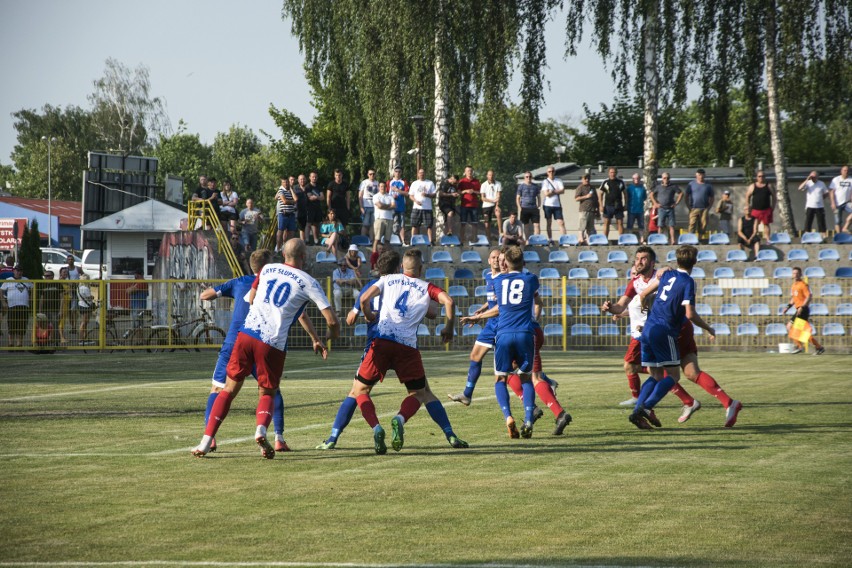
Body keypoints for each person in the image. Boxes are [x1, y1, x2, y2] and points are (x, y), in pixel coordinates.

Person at [191, 239, 340, 458]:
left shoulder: (268, 269)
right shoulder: (309, 281)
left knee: (229, 389)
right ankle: (261, 429)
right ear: (304, 257)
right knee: (268, 391)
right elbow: (332, 321)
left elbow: (251, 297)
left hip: (246, 334)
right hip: (272, 342)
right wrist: (330, 336)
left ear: (283, 254)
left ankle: (205, 441)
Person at [316, 250, 440, 449]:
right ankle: (449, 434)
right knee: (423, 392)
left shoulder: (371, 286)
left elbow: (350, 319)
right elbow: (433, 312)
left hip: (376, 344)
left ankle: (334, 437)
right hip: (403, 344)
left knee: (357, 391)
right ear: (399, 267)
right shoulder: (405, 284)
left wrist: (369, 315)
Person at [353, 249, 469, 453]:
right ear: (421, 268)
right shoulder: (426, 287)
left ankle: (377, 428)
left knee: (360, 390)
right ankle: (400, 418)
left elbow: (363, 300)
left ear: (401, 267)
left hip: (381, 342)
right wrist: (448, 329)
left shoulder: (388, 280)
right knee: (419, 393)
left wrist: (370, 315)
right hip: (406, 347)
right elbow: (448, 302)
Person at [197, 249, 299, 453]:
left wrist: (216, 293)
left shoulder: (239, 282)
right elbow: (301, 315)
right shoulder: (277, 284)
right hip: (264, 343)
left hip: (236, 343)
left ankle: (210, 438)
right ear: (268, 265)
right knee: (270, 391)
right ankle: (278, 438)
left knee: (219, 389)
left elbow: (205, 295)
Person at [627, 245, 717, 430]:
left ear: (676, 260)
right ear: (695, 262)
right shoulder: (688, 282)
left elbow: (643, 294)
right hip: (664, 330)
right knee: (674, 375)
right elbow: (690, 314)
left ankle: (637, 409)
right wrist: (708, 328)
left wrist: (646, 310)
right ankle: (646, 407)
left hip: (648, 329)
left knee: (656, 375)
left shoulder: (667, 274)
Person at [460, 246, 540, 438]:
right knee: (526, 378)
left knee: (500, 379)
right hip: (524, 333)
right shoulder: (531, 279)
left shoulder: (499, 281)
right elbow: (535, 300)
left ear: (506, 262)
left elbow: (499, 308)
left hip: (503, 334)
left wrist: (477, 317)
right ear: (523, 262)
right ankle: (528, 420)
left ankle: (508, 417)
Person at [785, 267, 825, 355]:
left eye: (797, 273)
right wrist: (788, 306)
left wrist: (802, 307)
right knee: (798, 330)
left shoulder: (803, 285)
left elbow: (809, 296)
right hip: (799, 309)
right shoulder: (794, 285)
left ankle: (799, 346)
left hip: (803, 309)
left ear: (800, 274)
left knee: (791, 327)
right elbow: (793, 298)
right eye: (794, 273)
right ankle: (818, 347)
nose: (795, 275)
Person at [0, 265, 31, 347]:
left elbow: (33, 289)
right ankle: (11, 343)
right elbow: (1, 291)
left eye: (20, 270)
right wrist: (3, 302)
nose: (19, 272)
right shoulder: (8, 280)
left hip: (24, 305)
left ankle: (19, 344)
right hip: (12, 305)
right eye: (17, 270)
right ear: (14, 271)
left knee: (22, 325)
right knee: (11, 324)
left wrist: (31, 300)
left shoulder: (26, 280)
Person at [651, 172, 682, 244]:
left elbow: (681, 193)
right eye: (664, 178)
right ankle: (659, 240)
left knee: (671, 225)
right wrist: (655, 203)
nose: (666, 179)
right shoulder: (658, 187)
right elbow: (651, 194)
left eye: (667, 178)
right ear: (662, 178)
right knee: (660, 226)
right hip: (661, 208)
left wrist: (676, 203)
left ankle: (673, 240)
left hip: (670, 208)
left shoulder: (673, 186)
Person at [797, 170, 829, 237]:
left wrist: (821, 198)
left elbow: (826, 193)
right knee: (808, 221)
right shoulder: (808, 183)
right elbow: (799, 188)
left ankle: (823, 235)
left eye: (814, 177)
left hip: (819, 206)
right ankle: (807, 235)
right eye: (812, 177)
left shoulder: (821, 183)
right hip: (810, 206)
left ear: (817, 177)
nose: (813, 178)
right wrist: (807, 180)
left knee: (821, 221)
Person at [746, 170, 776, 241]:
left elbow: (774, 197)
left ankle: (768, 239)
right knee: (754, 225)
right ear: (757, 177)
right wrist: (748, 206)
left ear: (765, 177)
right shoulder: (752, 186)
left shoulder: (769, 186)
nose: (761, 178)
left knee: (766, 224)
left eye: (763, 176)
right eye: (759, 176)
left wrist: (773, 207)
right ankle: (753, 238)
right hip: (755, 210)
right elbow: (747, 196)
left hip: (766, 209)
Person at [409, 168, 437, 243]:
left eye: (423, 173)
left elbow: (434, 194)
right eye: (420, 173)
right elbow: (411, 195)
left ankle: (430, 241)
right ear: (418, 174)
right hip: (416, 207)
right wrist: (416, 201)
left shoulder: (430, 183)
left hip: (427, 208)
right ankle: (413, 241)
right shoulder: (414, 183)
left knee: (429, 226)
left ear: (425, 174)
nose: (422, 174)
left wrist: (427, 195)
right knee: (414, 225)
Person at [598, 167, 626, 238]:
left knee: (620, 223)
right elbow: (600, 194)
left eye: (614, 172)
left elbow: (625, 194)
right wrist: (601, 205)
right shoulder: (605, 182)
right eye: (611, 172)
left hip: (618, 205)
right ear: (608, 173)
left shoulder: (620, 182)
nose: (612, 174)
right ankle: (605, 239)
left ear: (616, 173)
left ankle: (621, 240)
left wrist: (626, 204)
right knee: (606, 222)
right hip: (608, 206)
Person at [541, 166, 566, 243]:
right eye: (549, 171)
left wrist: (552, 191)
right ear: (547, 173)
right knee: (549, 222)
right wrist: (555, 191)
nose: (551, 173)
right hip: (547, 205)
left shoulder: (558, 180)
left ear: (554, 172)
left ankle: (564, 240)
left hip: (557, 205)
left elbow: (562, 191)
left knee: (561, 222)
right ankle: (550, 239)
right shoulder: (545, 181)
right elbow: (546, 194)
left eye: (552, 171)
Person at [685, 168, 714, 235]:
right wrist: (689, 207)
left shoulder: (708, 185)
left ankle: (700, 239)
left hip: (704, 208)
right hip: (694, 208)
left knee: (703, 224)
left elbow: (712, 197)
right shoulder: (691, 184)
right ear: (696, 175)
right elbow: (686, 196)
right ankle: (691, 238)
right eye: (699, 175)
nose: (701, 176)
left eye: (702, 175)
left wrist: (708, 208)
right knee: (692, 223)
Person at [458, 166, 481, 244]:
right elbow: (458, 192)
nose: (469, 172)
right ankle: (462, 241)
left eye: (471, 171)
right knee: (463, 223)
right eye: (468, 171)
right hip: (464, 205)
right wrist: (465, 191)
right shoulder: (462, 181)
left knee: (474, 223)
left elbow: (480, 192)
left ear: (472, 171)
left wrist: (473, 191)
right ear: (465, 171)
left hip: (474, 205)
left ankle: (474, 240)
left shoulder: (476, 181)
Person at [39, 270, 63, 344]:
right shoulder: (43, 285)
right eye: (45, 276)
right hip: (45, 310)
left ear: (52, 276)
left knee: (55, 326)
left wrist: (61, 310)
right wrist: (40, 311)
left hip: (55, 309)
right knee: (45, 326)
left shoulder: (57, 285)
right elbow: (41, 298)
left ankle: (57, 343)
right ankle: (46, 341)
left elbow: (62, 297)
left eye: (48, 276)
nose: (46, 277)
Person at [275, 176, 298, 251]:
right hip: (283, 213)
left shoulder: (291, 190)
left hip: (291, 214)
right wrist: (292, 201)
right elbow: (284, 201)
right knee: (280, 231)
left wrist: (291, 189)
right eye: (284, 182)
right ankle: (278, 248)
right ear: (281, 183)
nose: (285, 184)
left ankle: (287, 248)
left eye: (286, 182)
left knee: (291, 232)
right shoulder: (281, 190)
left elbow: (296, 199)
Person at [516, 171, 541, 240]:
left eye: (530, 176)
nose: (528, 178)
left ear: (532, 177)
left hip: (534, 208)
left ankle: (537, 241)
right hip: (524, 208)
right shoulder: (521, 186)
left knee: (537, 225)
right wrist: (519, 207)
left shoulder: (535, 186)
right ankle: (527, 241)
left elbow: (539, 197)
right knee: (526, 225)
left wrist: (538, 206)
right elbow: (518, 198)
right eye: (527, 177)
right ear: (524, 178)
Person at [574, 173, 598, 244]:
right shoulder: (580, 187)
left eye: (588, 178)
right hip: (584, 210)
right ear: (582, 179)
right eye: (585, 178)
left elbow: (596, 199)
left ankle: (589, 240)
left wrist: (597, 209)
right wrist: (586, 196)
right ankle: (581, 239)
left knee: (590, 227)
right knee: (582, 225)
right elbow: (576, 198)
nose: (587, 180)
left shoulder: (592, 187)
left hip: (592, 210)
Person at [480, 170, 502, 243]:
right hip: (486, 206)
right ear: (487, 176)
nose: (491, 176)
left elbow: (498, 196)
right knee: (487, 223)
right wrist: (492, 201)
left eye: (492, 175)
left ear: (494, 175)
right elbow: (482, 198)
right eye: (489, 175)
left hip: (495, 205)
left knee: (498, 213)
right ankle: (488, 239)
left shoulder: (498, 184)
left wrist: (497, 205)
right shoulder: (483, 185)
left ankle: (500, 234)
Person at [388, 166, 409, 245]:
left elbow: (407, 193)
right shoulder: (389, 182)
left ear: (401, 173)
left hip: (401, 207)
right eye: (396, 171)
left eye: (399, 171)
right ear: (393, 172)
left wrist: (398, 190)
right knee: (391, 224)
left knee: (402, 225)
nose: (397, 173)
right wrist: (391, 197)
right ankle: (391, 240)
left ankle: (403, 241)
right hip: (391, 207)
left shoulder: (404, 182)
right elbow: (385, 193)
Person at [828, 165, 852, 233]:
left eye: (847, 170)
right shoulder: (836, 179)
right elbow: (831, 191)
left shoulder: (851, 179)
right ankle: (839, 235)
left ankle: (845, 228)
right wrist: (832, 203)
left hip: (847, 202)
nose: (846, 172)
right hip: (837, 203)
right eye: (844, 170)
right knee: (838, 221)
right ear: (841, 171)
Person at [372, 181, 395, 251]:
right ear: (379, 187)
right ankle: (374, 256)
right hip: (379, 219)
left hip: (389, 219)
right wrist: (388, 206)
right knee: (377, 239)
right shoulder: (376, 196)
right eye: (381, 186)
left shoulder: (390, 196)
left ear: (386, 187)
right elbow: (379, 206)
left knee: (387, 241)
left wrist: (384, 206)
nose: (383, 188)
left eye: (384, 186)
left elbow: (394, 206)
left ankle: (387, 256)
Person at [304, 171, 324, 245]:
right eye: (313, 177)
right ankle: (307, 240)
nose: (314, 178)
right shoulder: (307, 187)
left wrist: (316, 197)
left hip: (318, 208)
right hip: (309, 208)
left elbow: (322, 197)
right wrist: (318, 197)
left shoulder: (319, 187)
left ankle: (316, 240)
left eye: (315, 177)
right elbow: (310, 197)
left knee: (316, 224)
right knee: (308, 224)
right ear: (310, 177)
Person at [358, 169, 378, 239]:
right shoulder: (364, 182)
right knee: (365, 224)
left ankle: (371, 240)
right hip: (366, 206)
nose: (372, 175)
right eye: (370, 174)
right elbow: (360, 195)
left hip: (375, 207)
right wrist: (361, 207)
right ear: (368, 174)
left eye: (373, 174)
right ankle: (363, 239)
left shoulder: (377, 183)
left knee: (373, 225)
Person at [57, 266, 72, 345]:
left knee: (64, 321)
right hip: (62, 304)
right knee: (61, 321)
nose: (65, 274)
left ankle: (62, 336)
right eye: (64, 272)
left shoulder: (67, 282)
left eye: (66, 272)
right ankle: (61, 337)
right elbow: (61, 293)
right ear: (60, 273)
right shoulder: (60, 282)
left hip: (67, 303)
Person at [293, 173, 308, 241]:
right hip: (297, 211)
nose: (302, 180)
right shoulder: (294, 188)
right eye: (301, 179)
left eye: (303, 179)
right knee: (298, 228)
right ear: (298, 180)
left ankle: (305, 242)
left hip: (307, 211)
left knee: (305, 227)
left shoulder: (308, 188)